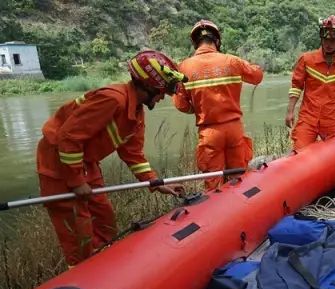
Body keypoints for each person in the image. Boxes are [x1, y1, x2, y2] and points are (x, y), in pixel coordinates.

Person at [36, 50, 186, 268]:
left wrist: (155, 182)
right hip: (58, 164)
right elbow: (68, 138)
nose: (163, 97)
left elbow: (133, 154)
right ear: (150, 86)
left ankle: (103, 268)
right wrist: (76, 181)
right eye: (162, 91)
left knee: (105, 222)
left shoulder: (135, 112)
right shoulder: (112, 99)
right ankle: (81, 274)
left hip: (85, 163)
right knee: (79, 234)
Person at [173, 19, 263, 190]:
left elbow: (180, 104)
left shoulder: (183, 67)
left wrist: (198, 108)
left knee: (213, 184)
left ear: (195, 42)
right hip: (234, 129)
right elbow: (257, 76)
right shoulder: (232, 61)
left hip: (209, 132)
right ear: (217, 40)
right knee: (239, 179)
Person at [285, 15, 335, 151]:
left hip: (332, 120)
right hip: (307, 119)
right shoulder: (306, 60)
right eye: (326, 38)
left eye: (333, 39)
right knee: (300, 155)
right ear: (321, 38)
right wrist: (290, 112)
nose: (328, 43)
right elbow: (296, 86)